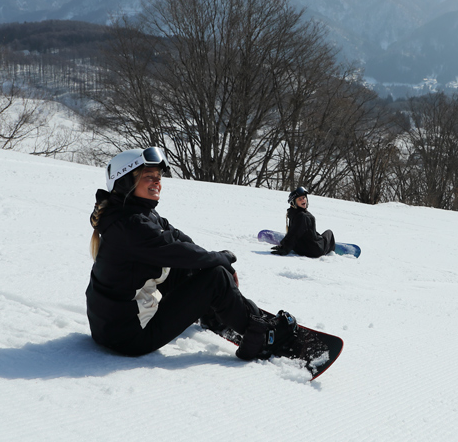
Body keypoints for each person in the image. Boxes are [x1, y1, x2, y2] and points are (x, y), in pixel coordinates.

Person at [86, 147, 295, 361]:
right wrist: (221, 261)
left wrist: (212, 261)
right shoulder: (132, 225)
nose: (157, 182)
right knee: (215, 278)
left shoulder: (129, 213)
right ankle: (262, 337)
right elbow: (178, 251)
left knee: (191, 268)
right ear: (125, 182)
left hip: (112, 328)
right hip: (130, 337)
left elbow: (176, 237)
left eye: (158, 177)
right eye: (148, 176)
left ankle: (211, 311)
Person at [271, 186, 336, 258]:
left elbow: (297, 230)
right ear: (294, 203)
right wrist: (285, 249)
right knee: (329, 233)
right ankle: (331, 250)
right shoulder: (302, 216)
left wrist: (284, 245)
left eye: (304, 198)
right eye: (299, 199)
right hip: (314, 250)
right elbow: (294, 233)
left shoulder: (293, 212)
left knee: (320, 235)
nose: (303, 200)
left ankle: (320, 239)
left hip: (300, 248)